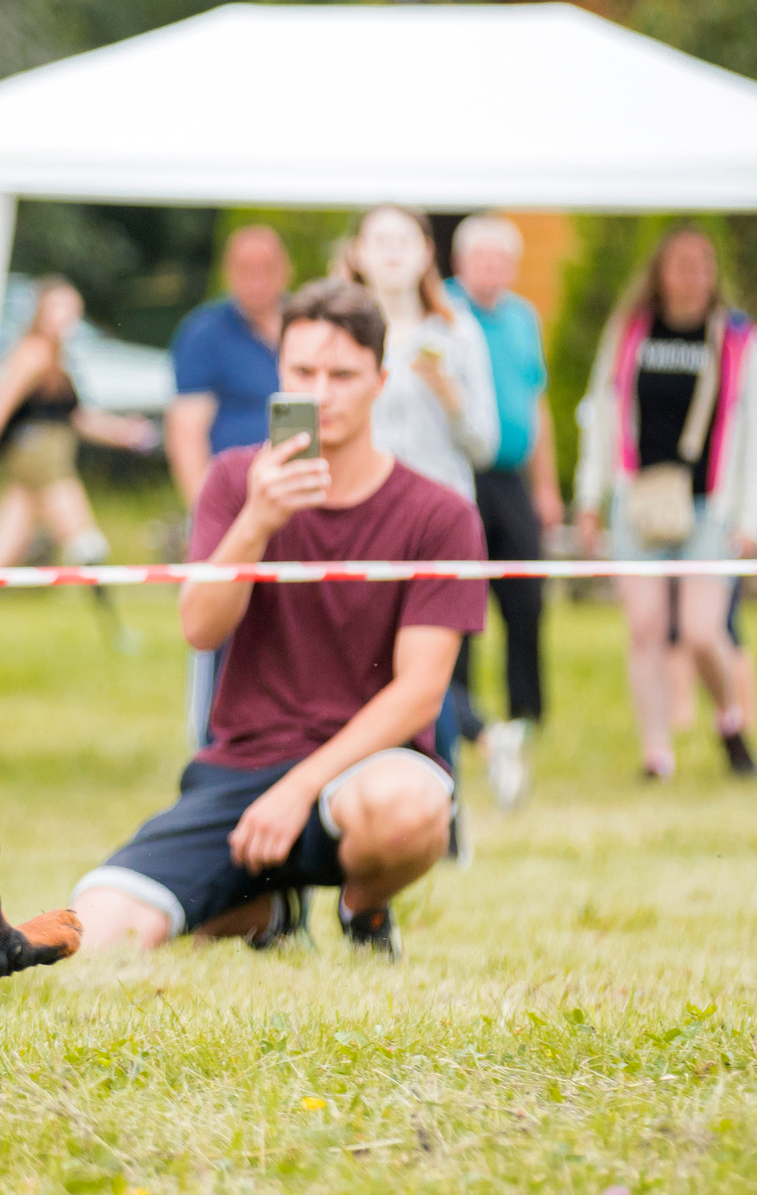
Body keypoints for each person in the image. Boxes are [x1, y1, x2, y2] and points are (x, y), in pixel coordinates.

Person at [71, 279, 483, 958]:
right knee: (97, 938)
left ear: (380, 381)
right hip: (239, 772)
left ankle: (363, 907)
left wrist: (299, 789)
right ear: (279, 374)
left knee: (412, 810)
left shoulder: (440, 514)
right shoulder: (236, 481)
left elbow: (420, 693)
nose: (321, 392)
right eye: (303, 372)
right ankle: (268, 910)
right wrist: (258, 522)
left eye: (343, 374)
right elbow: (200, 629)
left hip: (368, 773)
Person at [573, 228, 757, 781]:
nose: (694, 274)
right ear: (660, 271)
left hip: (709, 506)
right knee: (644, 626)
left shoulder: (739, 339)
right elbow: (602, 412)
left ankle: (730, 719)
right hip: (638, 500)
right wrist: (588, 498)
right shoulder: (630, 332)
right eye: (682, 264)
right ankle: (656, 754)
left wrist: (751, 517)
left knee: (700, 630)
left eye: (703, 264)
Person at [338, 205, 497, 775]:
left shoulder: (456, 330)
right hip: (360, 522)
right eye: (378, 238)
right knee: (359, 665)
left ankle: (442, 803)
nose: (391, 251)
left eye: (405, 238)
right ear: (356, 252)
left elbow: (486, 443)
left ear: (428, 252)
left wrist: (447, 392)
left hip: (438, 527)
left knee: (434, 671)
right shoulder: (339, 334)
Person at [445, 214, 563, 807]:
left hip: (511, 476)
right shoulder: (442, 310)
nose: (491, 269)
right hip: (458, 474)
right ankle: (460, 711)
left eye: (501, 260)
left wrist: (547, 485)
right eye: (481, 258)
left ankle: (526, 713)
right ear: (462, 262)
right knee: (460, 597)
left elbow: (536, 403)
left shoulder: (523, 318)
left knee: (526, 596)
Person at [166, 226, 292, 745]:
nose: (255, 280)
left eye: (265, 268)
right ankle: (214, 742)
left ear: (284, 270)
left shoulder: (304, 328)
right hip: (234, 507)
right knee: (217, 627)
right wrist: (208, 512)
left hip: (299, 502)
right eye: (244, 269)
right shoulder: (204, 333)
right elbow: (186, 432)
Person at [0, 277, 157, 584]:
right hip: (41, 461)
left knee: (2, 550)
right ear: (41, 312)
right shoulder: (33, 353)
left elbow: (75, 418)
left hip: (38, 464)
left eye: (71, 308)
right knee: (87, 544)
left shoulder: (58, 360)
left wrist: (123, 432)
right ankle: (116, 629)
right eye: (58, 307)